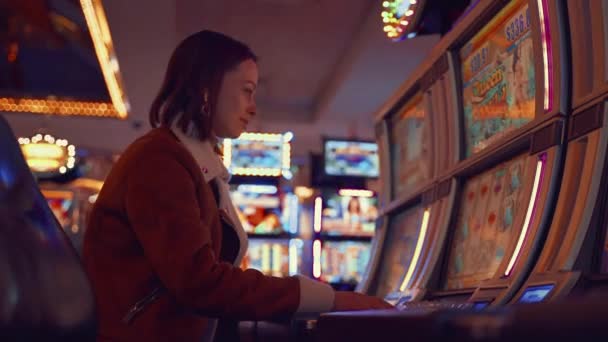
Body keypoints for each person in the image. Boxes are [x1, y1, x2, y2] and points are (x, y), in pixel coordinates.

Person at [82, 30, 392, 342]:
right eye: (247, 91)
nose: (254, 107)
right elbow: (200, 282)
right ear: (207, 88)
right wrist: (330, 299)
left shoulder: (195, 163)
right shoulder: (159, 160)